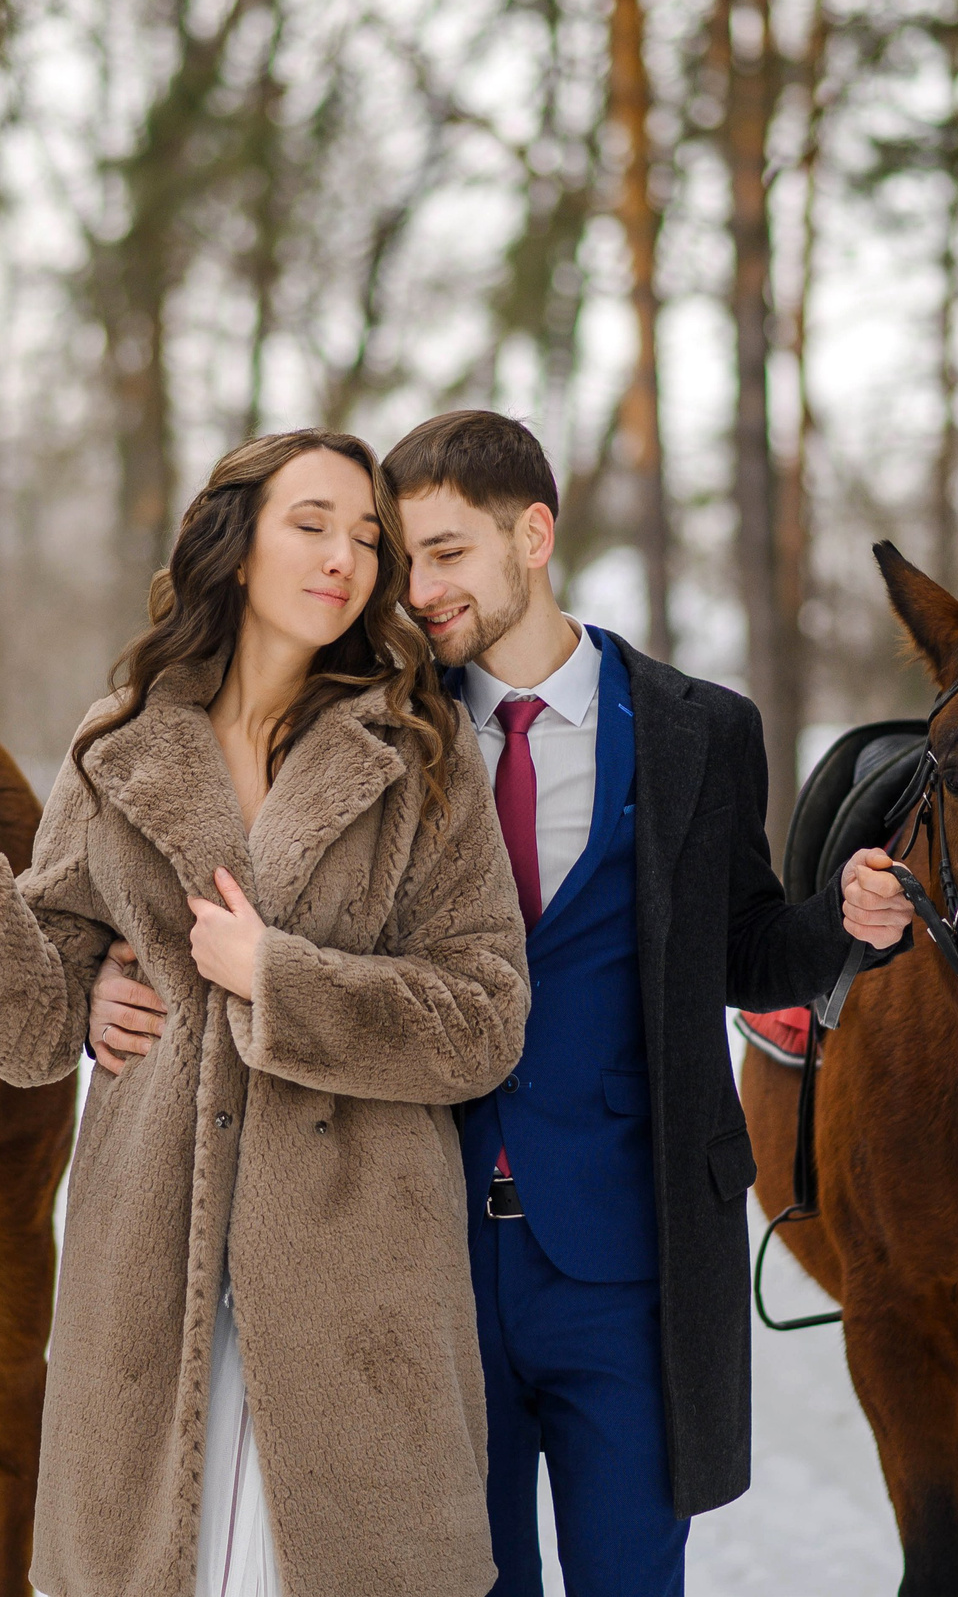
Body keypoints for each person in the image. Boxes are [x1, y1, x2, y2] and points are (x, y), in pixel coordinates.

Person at [0, 429, 531, 1597]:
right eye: (311, 523)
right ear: (236, 544)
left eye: (365, 536)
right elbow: (36, 1034)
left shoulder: (420, 755)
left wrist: (279, 977)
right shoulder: (118, 746)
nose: (344, 556)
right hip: (149, 1271)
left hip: (358, 1287)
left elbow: (484, 1015)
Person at [383, 409, 912, 1597]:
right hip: (426, 1244)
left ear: (533, 534)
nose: (420, 588)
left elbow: (743, 946)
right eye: (405, 557)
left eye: (448, 551)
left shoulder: (698, 729)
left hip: (628, 1258)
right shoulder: (384, 731)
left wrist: (846, 920)